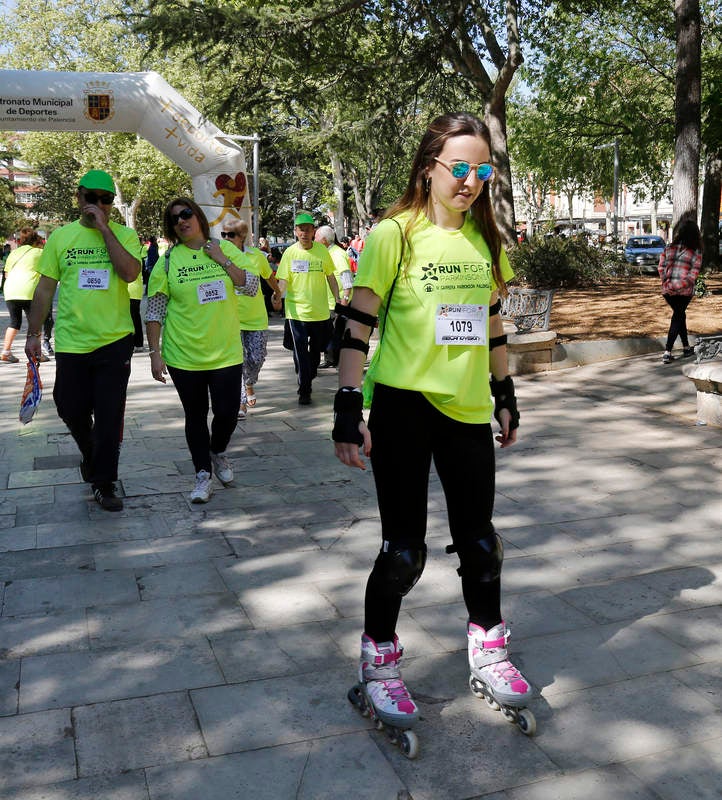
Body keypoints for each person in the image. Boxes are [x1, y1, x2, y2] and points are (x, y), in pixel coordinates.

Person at [332, 112, 533, 736]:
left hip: (468, 409)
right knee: (403, 552)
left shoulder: (485, 240)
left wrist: (505, 391)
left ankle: (488, 648)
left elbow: (493, 324)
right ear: (430, 168)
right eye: (460, 168)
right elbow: (358, 327)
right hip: (404, 408)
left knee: (481, 543)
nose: (471, 181)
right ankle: (380, 658)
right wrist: (346, 407)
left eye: (482, 170)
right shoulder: (396, 233)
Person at [25, 169, 142, 511]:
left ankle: (104, 483)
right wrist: (33, 334)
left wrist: (105, 229)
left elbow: (130, 273)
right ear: (79, 198)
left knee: (108, 418)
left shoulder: (124, 236)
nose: (99, 204)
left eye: (105, 200)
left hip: (114, 340)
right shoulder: (61, 238)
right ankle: (92, 458)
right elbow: (45, 288)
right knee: (69, 406)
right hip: (72, 342)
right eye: (92, 197)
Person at [145, 197, 258, 503]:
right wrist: (155, 354)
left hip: (225, 353)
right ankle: (202, 474)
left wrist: (222, 258)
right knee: (195, 415)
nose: (182, 221)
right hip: (184, 354)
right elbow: (155, 311)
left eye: (186, 214)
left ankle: (218, 450)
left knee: (226, 414)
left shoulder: (227, 249)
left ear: (198, 216)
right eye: (175, 219)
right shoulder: (168, 260)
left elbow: (250, 287)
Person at [273, 211, 340, 405]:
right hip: (296, 313)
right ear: (295, 231)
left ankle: (306, 375)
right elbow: (283, 280)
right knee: (300, 351)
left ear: (313, 231)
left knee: (315, 354)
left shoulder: (321, 251)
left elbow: (330, 277)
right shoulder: (290, 252)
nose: (304, 233)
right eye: (300, 229)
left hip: (319, 313)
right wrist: (277, 295)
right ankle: (305, 389)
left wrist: (337, 298)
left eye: (308, 229)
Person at [221, 217, 280, 417]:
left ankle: (249, 383)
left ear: (242, 237)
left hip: (256, 318)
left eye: (230, 235)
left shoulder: (256, 256)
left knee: (256, 358)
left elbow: (269, 277)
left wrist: (278, 294)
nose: (226, 239)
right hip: (230, 319)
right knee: (238, 360)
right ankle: (240, 402)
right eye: (223, 234)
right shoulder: (219, 258)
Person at [1, 229, 54, 363]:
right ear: (36, 240)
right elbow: (48, 271)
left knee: (14, 322)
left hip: (11, 290)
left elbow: (6, 274)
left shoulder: (14, 253)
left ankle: (6, 352)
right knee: (36, 323)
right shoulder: (39, 252)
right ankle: (38, 354)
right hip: (29, 290)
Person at [658, 218, 702, 364]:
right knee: (678, 316)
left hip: (668, 290)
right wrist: (676, 286)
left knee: (679, 315)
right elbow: (692, 276)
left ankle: (686, 347)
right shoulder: (696, 252)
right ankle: (667, 351)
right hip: (683, 292)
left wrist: (666, 283)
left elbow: (660, 267)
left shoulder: (668, 248)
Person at [315, 224, 353, 369]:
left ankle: (334, 359)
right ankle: (331, 358)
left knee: (336, 332)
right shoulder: (327, 253)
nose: (315, 239)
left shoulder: (337, 254)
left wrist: (345, 299)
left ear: (324, 240)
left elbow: (346, 277)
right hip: (329, 301)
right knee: (331, 331)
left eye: (317, 237)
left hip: (338, 301)